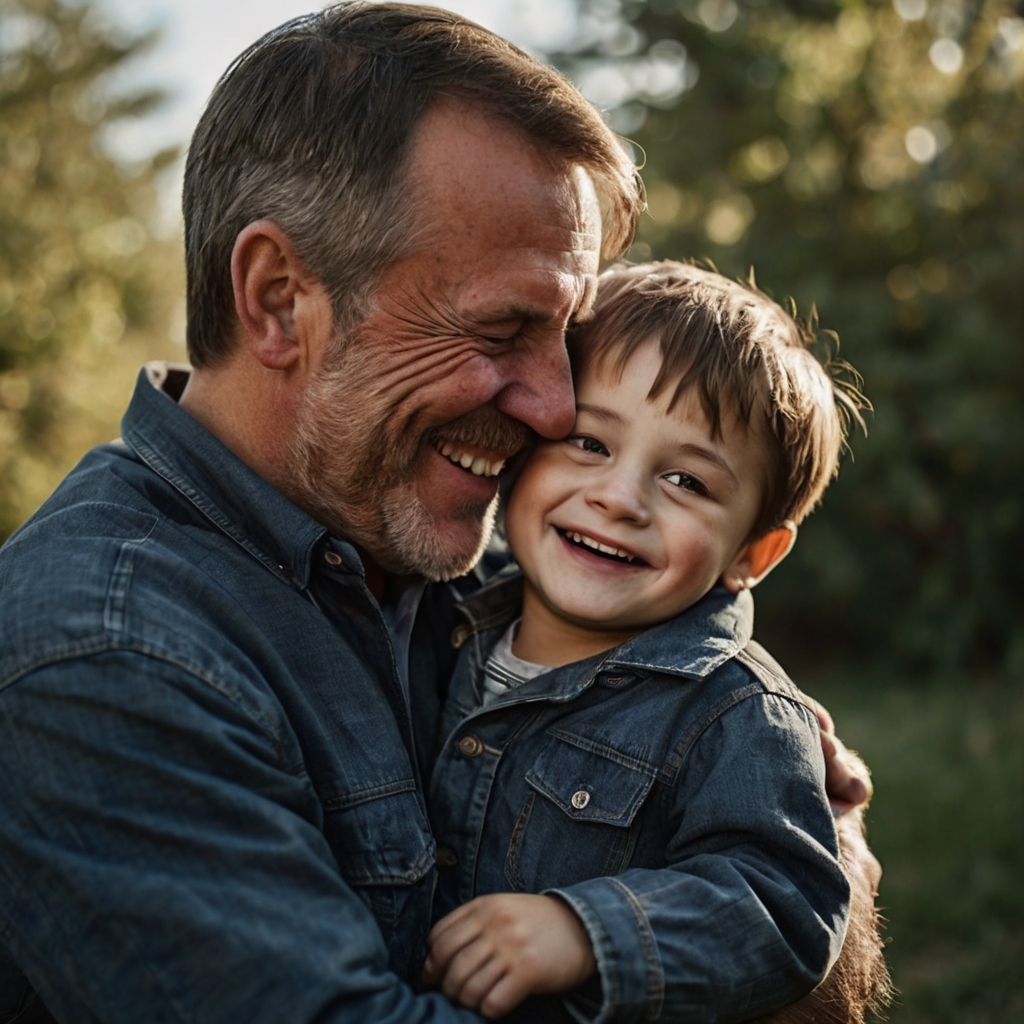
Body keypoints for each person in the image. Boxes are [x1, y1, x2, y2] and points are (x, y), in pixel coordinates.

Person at [0, 3, 876, 1022]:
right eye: (503, 328)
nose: (555, 407)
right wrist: (837, 885)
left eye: (563, 335)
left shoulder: (433, 556)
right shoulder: (110, 649)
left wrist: (795, 850)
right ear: (280, 299)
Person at [422, 262, 891, 1022]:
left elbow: (784, 904)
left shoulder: (733, 713)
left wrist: (585, 931)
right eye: (589, 443)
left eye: (687, 483)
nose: (619, 498)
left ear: (753, 555)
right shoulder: (442, 614)